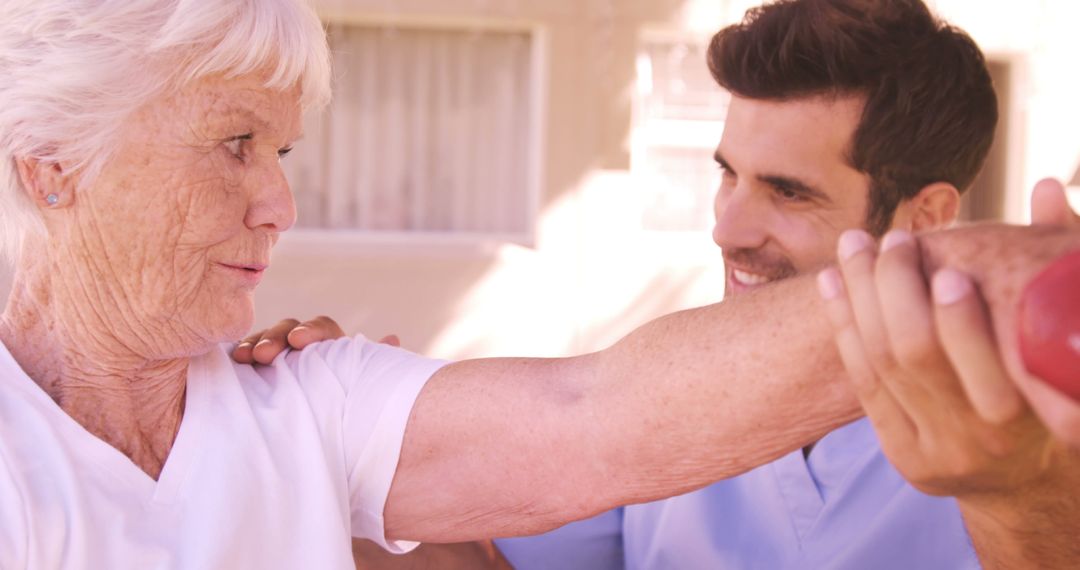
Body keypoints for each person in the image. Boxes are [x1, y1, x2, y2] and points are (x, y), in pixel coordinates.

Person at [0, 0, 1073, 568]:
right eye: (235, 141)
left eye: (786, 190)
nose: (282, 205)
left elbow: (591, 414)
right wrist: (355, 504)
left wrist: (1022, 296)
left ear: (930, 215)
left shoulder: (306, 398)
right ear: (49, 160)